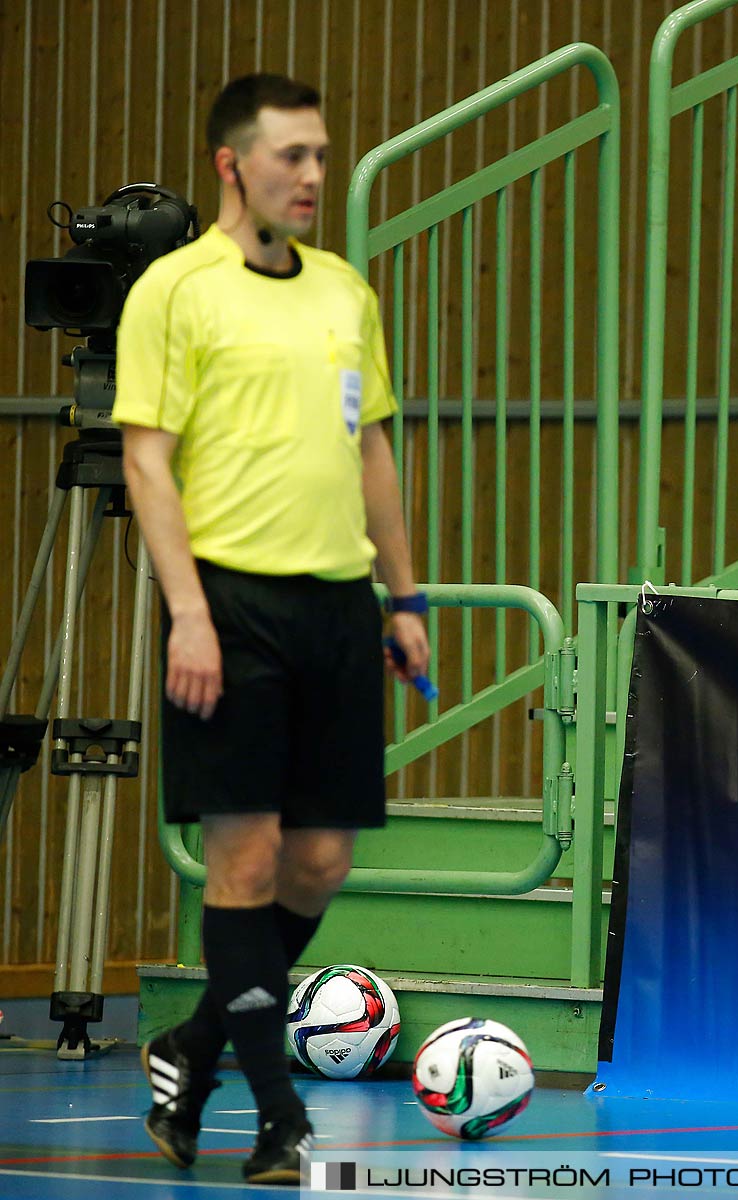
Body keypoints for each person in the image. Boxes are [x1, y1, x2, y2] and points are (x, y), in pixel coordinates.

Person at [113, 74, 430, 1186]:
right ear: (230, 165)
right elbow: (147, 458)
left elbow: (372, 449)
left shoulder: (344, 292)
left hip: (337, 606)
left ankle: (195, 1048)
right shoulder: (175, 289)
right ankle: (280, 1118)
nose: (312, 176)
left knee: (322, 857)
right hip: (229, 604)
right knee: (243, 860)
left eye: (321, 156)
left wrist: (403, 598)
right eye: (290, 156)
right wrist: (187, 612)